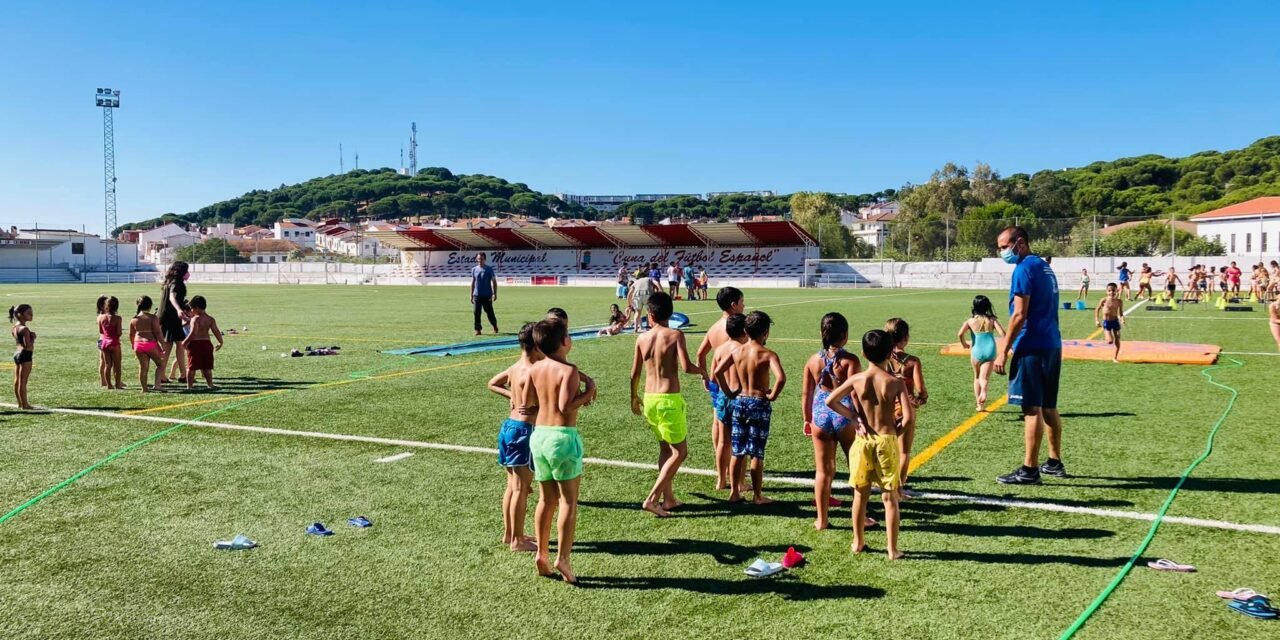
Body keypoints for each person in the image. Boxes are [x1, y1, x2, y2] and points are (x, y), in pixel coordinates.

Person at [826, 329, 911, 560]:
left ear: (863, 353)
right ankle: (892, 550)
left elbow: (830, 400)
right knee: (889, 497)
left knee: (859, 495)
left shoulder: (857, 379)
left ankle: (858, 541)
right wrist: (896, 432)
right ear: (890, 352)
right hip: (886, 440)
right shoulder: (895, 382)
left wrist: (853, 417)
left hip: (863, 442)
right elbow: (908, 417)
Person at [524, 318, 596, 584]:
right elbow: (566, 406)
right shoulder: (569, 370)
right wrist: (589, 392)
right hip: (563, 438)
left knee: (546, 499)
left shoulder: (536, 368)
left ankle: (542, 552)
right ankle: (563, 557)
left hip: (539, 436)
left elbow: (535, 401)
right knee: (568, 501)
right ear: (565, 342)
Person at [994, 226, 1066, 485]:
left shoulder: (1023, 268)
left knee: (1031, 408)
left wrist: (1002, 350)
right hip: (1051, 344)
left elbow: (1019, 314)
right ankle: (1054, 462)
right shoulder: (1044, 267)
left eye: (1004, 246)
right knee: (1049, 406)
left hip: (1032, 345)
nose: (1001, 252)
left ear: (1020, 243)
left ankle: (1029, 469)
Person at [630, 292, 705, 517]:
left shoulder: (642, 338)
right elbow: (685, 366)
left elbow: (634, 373)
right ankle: (653, 499)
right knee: (680, 452)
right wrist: (704, 371)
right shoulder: (675, 335)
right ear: (670, 313)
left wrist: (633, 397)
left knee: (665, 448)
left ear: (650, 315)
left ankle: (669, 498)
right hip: (669, 399)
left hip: (650, 399)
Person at [714, 311, 785, 505]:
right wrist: (772, 395)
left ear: (746, 330)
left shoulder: (736, 351)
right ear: (766, 332)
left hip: (740, 401)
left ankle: (734, 492)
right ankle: (757, 495)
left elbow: (718, 371)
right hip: (758, 403)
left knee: (738, 450)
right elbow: (781, 378)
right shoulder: (768, 354)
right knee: (756, 452)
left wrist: (729, 392)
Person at [800, 312, 861, 530]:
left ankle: (822, 519)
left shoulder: (812, 360)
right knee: (856, 468)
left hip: (820, 412)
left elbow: (806, 394)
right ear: (844, 335)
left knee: (823, 471)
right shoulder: (850, 360)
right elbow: (855, 393)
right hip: (844, 412)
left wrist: (807, 418)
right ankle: (861, 517)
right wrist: (860, 418)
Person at [487, 322, 541, 552]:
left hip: (509, 426)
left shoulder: (515, 367)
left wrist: (510, 394)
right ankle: (518, 540)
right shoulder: (533, 371)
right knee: (520, 488)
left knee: (511, 486)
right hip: (524, 431)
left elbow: (492, 383)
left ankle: (510, 533)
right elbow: (535, 403)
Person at [696, 286, 745, 490]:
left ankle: (721, 475)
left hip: (718, 383)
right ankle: (738, 480)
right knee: (737, 435)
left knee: (718, 427)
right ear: (733, 305)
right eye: (742, 302)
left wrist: (705, 376)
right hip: (735, 386)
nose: (744, 305)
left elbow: (700, 354)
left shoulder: (714, 327)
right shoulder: (737, 328)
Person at [884, 318, 926, 498]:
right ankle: (898, 489)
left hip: (885, 408)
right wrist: (920, 399)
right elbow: (921, 390)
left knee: (884, 448)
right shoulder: (912, 362)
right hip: (905, 408)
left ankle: (883, 485)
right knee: (903, 451)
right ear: (906, 338)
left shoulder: (881, 359)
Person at [957, 295, 1004, 412]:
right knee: (985, 377)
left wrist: (964, 344)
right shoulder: (992, 320)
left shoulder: (970, 321)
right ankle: (984, 390)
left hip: (976, 350)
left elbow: (960, 334)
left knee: (977, 376)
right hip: (990, 349)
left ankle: (979, 405)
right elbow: (1003, 333)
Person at [158, 261, 190, 384]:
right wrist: (179, 310)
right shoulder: (177, 283)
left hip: (167, 316)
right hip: (170, 317)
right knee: (169, 346)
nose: (188, 273)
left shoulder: (168, 282)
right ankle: (162, 375)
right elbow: (172, 297)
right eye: (186, 271)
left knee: (179, 344)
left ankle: (182, 374)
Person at [181, 296, 223, 390]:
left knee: (191, 367)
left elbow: (193, 333)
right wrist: (220, 342)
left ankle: (189, 386)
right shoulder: (210, 319)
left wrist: (185, 341)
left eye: (192, 308)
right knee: (207, 367)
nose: (191, 310)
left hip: (195, 345)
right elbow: (216, 331)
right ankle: (210, 385)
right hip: (207, 344)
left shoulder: (195, 319)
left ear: (196, 308)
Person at [130, 296, 166, 393]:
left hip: (138, 344)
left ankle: (144, 388)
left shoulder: (134, 319)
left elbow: (132, 335)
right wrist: (163, 344)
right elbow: (158, 333)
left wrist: (133, 346)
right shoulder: (153, 318)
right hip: (150, 343)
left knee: (143, 367)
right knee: (160, 364)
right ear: (150, 306)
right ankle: (157, 385)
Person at [10, 304, 34, 410]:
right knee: (23, 381)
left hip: (17, 354)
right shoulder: (25, 329)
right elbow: (28, 346)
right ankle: (25, 404)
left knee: (17, 380)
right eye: (28, 313)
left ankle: (20, 403)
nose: (31, 315)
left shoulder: (15, 327)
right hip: (25, 355)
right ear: (21, 315)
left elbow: (19, 341)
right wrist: (33, 338)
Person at [97, 295, 124, 390]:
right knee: (117, 366)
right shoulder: (118, 318)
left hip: (104, 343)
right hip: (114, 342)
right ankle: (118, 384)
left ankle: (109, 385)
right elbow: (119, 333)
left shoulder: (101, 317)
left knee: (107, 365)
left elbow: (100, 331)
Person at [471, 252, 500, 336]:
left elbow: (494, 282)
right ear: (477, 259)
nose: (480, 260)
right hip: (477, 295)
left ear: (485, 259)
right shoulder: (474, 269)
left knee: (489, 312)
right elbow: (473, 282)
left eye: (482, 259)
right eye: (479, 258)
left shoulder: (489, 269)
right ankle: (478, 329)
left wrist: (495, 293)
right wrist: (471, 295)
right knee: (476, 312)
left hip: (487, 295)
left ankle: (494, 325)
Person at [1095, 283, 1125, 363]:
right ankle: (1106, 332)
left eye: (1113, 290)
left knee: (1117, 338)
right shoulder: (1104, 300)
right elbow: (1097, 309)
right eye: (1109, 291)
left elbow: (1121, 312)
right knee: (1110, 341)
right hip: (1107, 322)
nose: (1111, 292)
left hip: (1115, 321)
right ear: (1106, 291)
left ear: (1116, 291)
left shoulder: (1119, 301)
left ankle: (1115, 357)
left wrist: (1122, 319)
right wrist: (1097, 320)